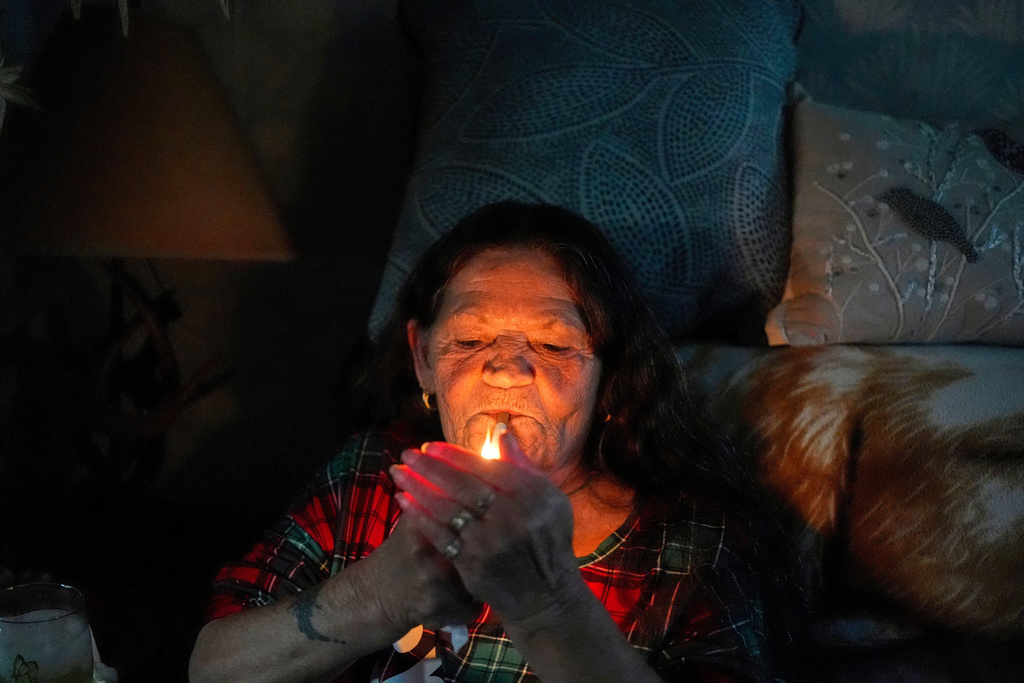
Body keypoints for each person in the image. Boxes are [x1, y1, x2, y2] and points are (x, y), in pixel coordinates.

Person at [189, 201, 798, 683]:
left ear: (608, 374)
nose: (507, 371)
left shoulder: (690, 547)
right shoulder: (371, 478)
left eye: (555, 346)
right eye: (469, 342)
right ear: (423, 360)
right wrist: (380, 595)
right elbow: (213, 667)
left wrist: (545, 599)